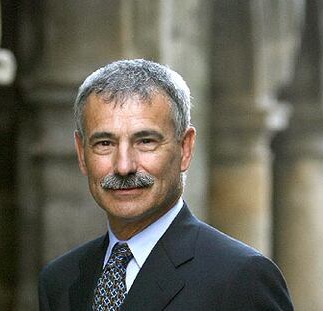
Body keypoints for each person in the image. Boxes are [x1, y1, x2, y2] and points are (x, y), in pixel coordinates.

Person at [39, 59, 294, 311]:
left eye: (146, 141)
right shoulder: (60, 281)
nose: (124, 166)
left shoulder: (240, 278)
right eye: (105, 143)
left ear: (185, 148)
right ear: (82, 154)